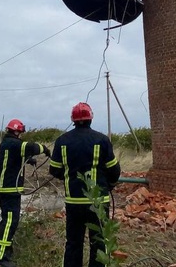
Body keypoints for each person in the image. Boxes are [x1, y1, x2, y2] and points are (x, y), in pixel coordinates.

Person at [49, 102, 120, 267]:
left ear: (73, 120)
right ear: (91, 118)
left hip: (74, 202)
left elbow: (54, 170)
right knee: (98, 243)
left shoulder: (62, 141)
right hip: (98, 202)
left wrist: (68, 177)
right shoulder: (102, 140)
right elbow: (114, 170)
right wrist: (109, 184)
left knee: (73, 243)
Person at [0, 118, 51, 267]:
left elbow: (15, 157)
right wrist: (44, 148)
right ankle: (2, 257)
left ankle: (7, 250)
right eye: (20, 133)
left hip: (7, 189)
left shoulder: (7, 143)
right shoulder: (14, 143)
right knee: (9, 222)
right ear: (18, 132)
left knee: (9, 221)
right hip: (9, 189)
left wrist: (28, 160)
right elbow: (31, 147)